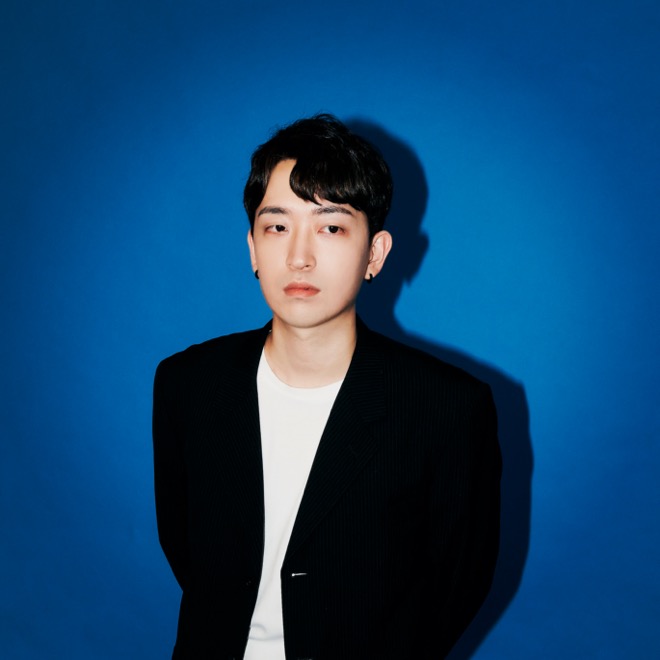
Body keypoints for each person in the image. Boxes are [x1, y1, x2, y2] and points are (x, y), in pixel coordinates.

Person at [152, 114, 501, 659]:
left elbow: (457, 584)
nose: (299, 256)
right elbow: (186, 549)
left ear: (375, 254)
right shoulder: (188, 384)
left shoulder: (447, 408)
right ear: (252, 249)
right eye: (277, 227)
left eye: (331, 227)